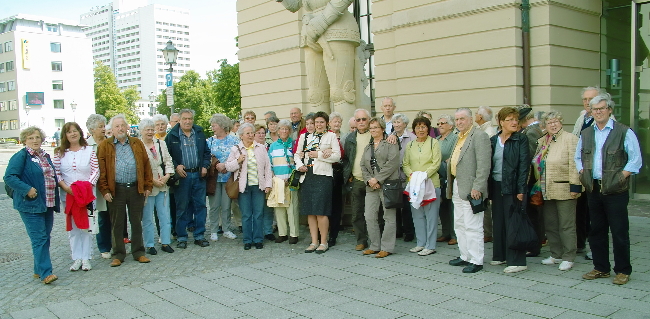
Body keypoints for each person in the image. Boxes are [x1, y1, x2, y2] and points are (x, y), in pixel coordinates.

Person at [575, 93, 642, 285]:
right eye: (595, 109)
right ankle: (601, 267)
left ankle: (622, 270)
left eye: (602, 109)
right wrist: (582, 172)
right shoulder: (587, 132)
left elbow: (635, 159)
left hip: (616, 191)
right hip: (594, 188)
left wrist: (621, 176)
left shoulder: (623, 131)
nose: (598, 112)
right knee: (596, 230)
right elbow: (578, 156)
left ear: (609, 110)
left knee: (619, 231)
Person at [4, 126, 60, 284]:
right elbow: (9, 177)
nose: (35, 140)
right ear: (24, 141)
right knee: (39, 238)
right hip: (30, 204)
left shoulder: (44, 156)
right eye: (30, 138)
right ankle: (45, 273)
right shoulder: (21, 156)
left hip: (47, 203)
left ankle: (38, 269)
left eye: (37, 137)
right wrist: (26, 189)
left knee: (45, 237)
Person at [97, 114, 153, 267]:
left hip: (135, 188)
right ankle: (118, 254)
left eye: (122, 125)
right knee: (116, 224)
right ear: (112, 129)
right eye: (117, 126)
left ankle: (138, 252)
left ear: (127, 127)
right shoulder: (105, 145)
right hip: (116, 190)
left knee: (136, 222)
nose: (120, 128)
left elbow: (146, 165)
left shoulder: (137, 143)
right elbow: (101, 171)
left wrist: (148, 186)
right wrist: (105, 190)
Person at [532, 111, 581, 271]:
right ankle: (556, 253)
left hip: (565, 188)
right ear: (544, 125)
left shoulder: (570, 139)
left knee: (566, 225)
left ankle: (568, 256)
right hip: (547, 188)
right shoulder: (544, 141)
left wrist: (575, 186)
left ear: (561, 122)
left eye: (556, 122)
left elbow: (575, 164)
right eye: (549, 122)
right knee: (551, 224)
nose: (553, 125)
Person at [448, 108, 491, 273]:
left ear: (471, 119)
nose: (459, 122)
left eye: (462, 119)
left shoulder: (479, 136)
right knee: (459, 223)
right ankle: (464, 255)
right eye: (457, 119)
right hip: (457, 184)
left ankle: (476, 260)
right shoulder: (458, 137)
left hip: (472, 188)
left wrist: (478, 187)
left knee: (473, 225)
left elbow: (484, 164)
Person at [53, 122, 99, 272]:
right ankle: (76, 257)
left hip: (86, 194)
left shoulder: (89, 151)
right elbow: (56, 173)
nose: (73, 134)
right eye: (69, 132)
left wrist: (87, 186)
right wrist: (66, 187)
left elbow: (95, 170)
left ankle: (86, 257)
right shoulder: (60, 153)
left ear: (80, 132)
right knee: (73, 227)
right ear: (65, 135)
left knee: (86, 226)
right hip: (68, 195)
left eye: (75, 131)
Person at [488, 107, 530, 273]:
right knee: (498, 221)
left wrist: (521, 189)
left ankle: (518, 261)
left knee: (514, 223)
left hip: (513, 186)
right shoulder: (493, 140)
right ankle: (500, 255)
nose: (514, 122)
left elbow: (524, 167)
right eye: (510, 119)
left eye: (516, 119)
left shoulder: (521, 139)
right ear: (501, 122)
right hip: (497, 185)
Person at [295, 111, 341, 253]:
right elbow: (297, 154)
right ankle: (314, 241)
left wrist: (319, 155)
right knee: (310, 211)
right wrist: (299, 165)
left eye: (321, 122)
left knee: (321, 212)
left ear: (326, 123)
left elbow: (337, 157)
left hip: (323, 177)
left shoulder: (331, 136)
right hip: (307, 176)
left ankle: (323, 242)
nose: (319, 125)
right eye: (316, 122)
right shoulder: (305, 136)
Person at [165, 109, 211, 249]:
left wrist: (205, 166)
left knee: (200, 206)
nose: (187, 121)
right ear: (179, 120)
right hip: (182, 176)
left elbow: (206, 153)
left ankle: (199, 235)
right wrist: (175, 166)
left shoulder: (199, 133)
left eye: (190, 118)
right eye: (184, 118)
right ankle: (182, 237)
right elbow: (166, 156)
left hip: (198, 175)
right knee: (182, 208)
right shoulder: (172, 135)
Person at [225, 123, 273, 250]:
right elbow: (228, 166)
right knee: (246, 215)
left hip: (258, 186)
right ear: (241, 136)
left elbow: (267, 167)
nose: (251, 135)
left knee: (258, 214)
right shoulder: (236, 149)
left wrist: (268, 184)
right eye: (248, 133)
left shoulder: (261, 148)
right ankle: (247, 240)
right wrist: (238, 160)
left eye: (252, 132)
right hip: (243, 187)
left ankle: (258, 239)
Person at [360, 117, 401, 258]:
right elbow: (363, 166)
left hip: (387, 185)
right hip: (371, 187)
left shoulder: (390, 143)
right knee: (369, 215)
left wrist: (378, 178)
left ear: (382, 128)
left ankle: (387, 247)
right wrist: (370, 180)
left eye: (376, 127)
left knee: (388, 216)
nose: (373, 130)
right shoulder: (368, 146)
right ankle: (375, 245)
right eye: (371, 128)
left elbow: (393, 163)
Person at [572, 86, 605, 259]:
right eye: (585, 99)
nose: (587, 103)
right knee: (581, 210)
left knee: (595, 214)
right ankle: (580, 243)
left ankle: (596, 248)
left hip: (596, 174)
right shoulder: (582, 118)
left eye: (590, 99)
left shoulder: (605, 120)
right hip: (581, 172)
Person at [403, 116, 443, 256]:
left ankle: (430, 245)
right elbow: (406, 163)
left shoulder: (434, 143)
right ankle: (420, 243)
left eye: (423, 126)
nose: (421, 130)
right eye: (418, 127)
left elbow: (436, 162)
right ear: (414, 129)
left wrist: (424, 175)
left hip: (431, 183)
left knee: (431, 215)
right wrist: (413, 175)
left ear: (428, 128)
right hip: (414, 184)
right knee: (417, 214)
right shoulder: (410, 145)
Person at [139, 118, 175, 255]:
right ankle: (149, 244)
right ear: (141, 131)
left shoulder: (160, 144)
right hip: (148, 185)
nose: (150, 132)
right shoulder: (139, 145)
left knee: (165, 215)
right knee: (147, 217)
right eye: (147, 130)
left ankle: (166, 242)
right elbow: (139, 168)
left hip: (163, 183)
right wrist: (152, 180)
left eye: (151, 129)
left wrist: (167, 176)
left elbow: (168, 161)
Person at [206, 114, 240, 241]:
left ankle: (226, 229)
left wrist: (226, 165)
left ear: (221, 125)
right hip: (214, 178)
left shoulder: (234, 141)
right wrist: (216, 164)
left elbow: (239, 157)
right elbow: (206, 157)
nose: (212, 127)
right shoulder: (209, 141)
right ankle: (214, 230)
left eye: (214, 125)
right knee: (214, 205)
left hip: (229, 178)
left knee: (226, 205)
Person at [518, 105, 545, 257]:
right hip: (531, 177)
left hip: (531, 178)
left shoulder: (532, 131)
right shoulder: (531, 130)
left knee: (532, 213)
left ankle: (534, 245)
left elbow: (532, 156)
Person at [343, 108, 372, 251]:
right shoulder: (350, 138)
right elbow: (347, 159)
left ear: (369, 120)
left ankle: (376, 240)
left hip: (372, 181)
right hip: (356, 180)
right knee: (357, 213)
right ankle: (361, 240)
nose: (361, 122)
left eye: (363, 119)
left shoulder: (375, 135)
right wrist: (348, 176)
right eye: (358, 120)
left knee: (374, 213)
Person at [268, 119, 299, 244]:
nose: (284, 131)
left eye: (287, 129)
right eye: (282, 129)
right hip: (278, 181)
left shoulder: (294, 144)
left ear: (290, 131)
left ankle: (294, 234)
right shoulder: (273, 146)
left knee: (292, 208)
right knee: (279, 207)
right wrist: (274, 178)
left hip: (291, 181)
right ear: (278, 131)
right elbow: (269, 164)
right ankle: (282, 233)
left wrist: (291, 178)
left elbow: (297, 163)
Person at [86, 114, 112, 259]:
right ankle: (104, 246)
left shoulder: (110, 142)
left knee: (114, 215)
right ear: (92, 129)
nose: (104, 129)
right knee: (101, 216)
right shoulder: (86, 145)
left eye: (104, 126)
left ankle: (116, 243)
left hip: (112, 184)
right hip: (95, 187)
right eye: (100, 127)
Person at [392, 113, 416, 242]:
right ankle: (398, 231)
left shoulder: (412, 138)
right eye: (394, 122)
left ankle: (409, 232)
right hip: (394, 176)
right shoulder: (390, 137)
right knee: (395, 205)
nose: (396, 125)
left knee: (407, 207)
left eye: (399, 122)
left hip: (407, 176)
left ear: (405, 124)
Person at [435, 114, 458, 245]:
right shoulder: (437, 139)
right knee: (442, 206)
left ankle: (455, 234)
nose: (440, 126)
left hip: (450, 176)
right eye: (438, 124)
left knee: (452, 206)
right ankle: (445, 232)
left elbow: (454, 156)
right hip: (438, 176)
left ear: (451, 125)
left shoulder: (455, 138)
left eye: (443, 123)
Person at [476, 105, 496, 243]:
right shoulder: (484, 130)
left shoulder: (487, 132)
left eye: (476, 113)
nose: (475, 115)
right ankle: (486, 230)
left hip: (486, 172)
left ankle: (487, 232)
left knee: (485, 202)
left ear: (481, 117)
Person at [254, 124, 276, 241]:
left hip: (269, 179)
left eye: (263, 133)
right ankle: (257, 231)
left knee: (268, 207)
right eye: (259, 133)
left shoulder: (270, 146)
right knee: (257, 208)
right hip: (255, 181)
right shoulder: (252, 148)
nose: (261, 135)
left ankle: (268, 230)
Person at [328, 112, 345, 246]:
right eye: (335, 121)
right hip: (325, 171)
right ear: (329, 123)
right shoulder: (324, 136)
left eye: (339, 121)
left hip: (338, 171)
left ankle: (333, 233)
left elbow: (344, 155)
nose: (337, 123)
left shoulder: (344, 137)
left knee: (336, 204)